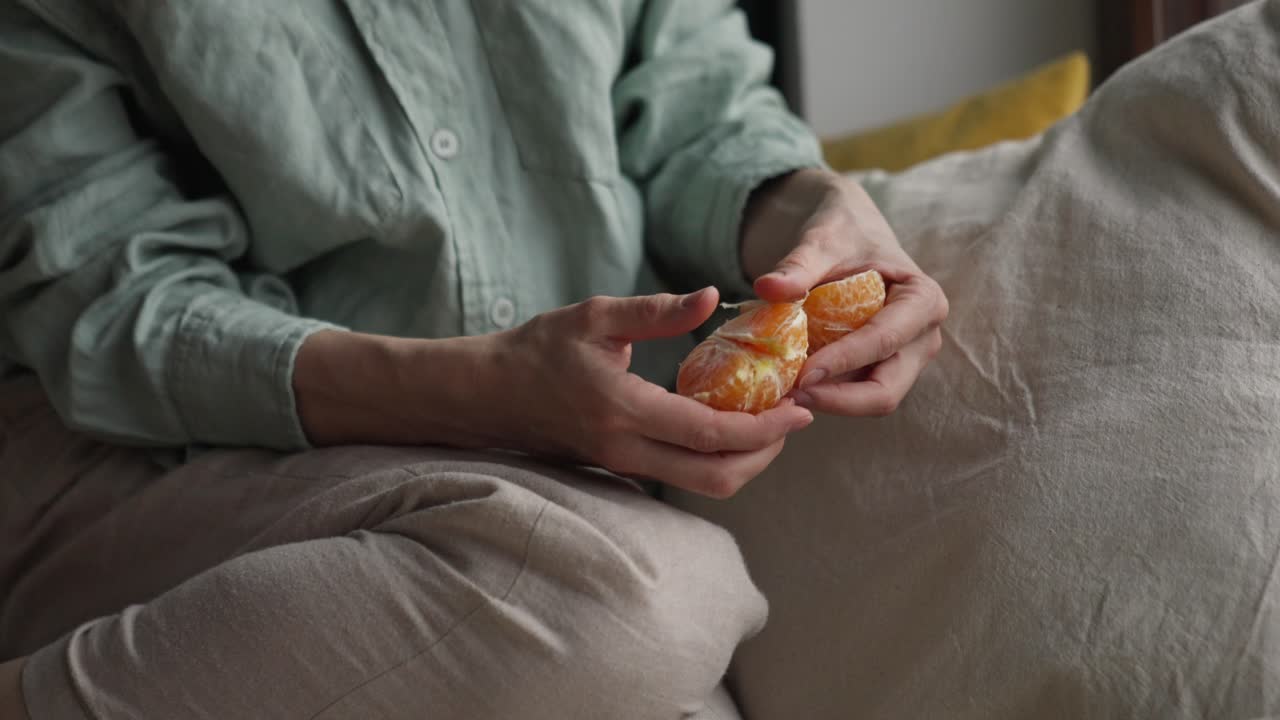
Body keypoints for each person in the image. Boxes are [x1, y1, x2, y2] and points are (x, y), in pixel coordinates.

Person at [0, 1, 946, 718]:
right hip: (168, 458)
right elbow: (109, 310)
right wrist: (484, 393)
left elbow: (704, 120)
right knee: (651, 600)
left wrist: (824, 224)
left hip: (564, 496)